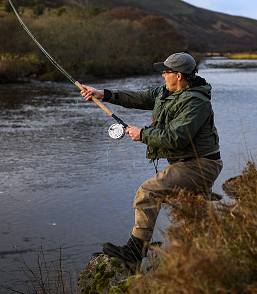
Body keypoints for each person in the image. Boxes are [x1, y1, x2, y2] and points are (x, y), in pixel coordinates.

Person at [80, 52, 222, 269]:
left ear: (180, 75)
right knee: (194, 217)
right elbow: (138, 97)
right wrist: (103, 94)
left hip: (201, 164)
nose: (163, 76)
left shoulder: (196, 101)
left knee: (147, 193)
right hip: (189, 163)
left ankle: (135, 252)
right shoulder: (166, 92)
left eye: (166, 72)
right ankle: (204, 263)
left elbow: (177, 137)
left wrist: (143, 134)